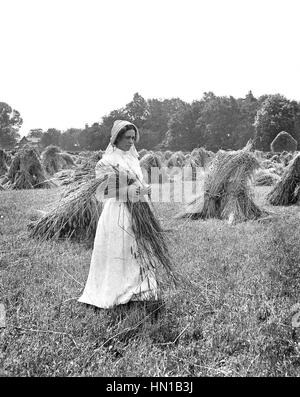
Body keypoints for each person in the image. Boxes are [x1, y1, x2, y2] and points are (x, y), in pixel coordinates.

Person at [78, 120, 158, 309]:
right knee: (119, 248)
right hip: (118, 212)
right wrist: (129, 192)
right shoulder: (106, 162)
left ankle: (139, 288)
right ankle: (116, 289)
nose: (131, 141)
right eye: (127, 137)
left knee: (136, 248)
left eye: (133, 137)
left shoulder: (133, 159)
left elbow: (137, 184)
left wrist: (143, 190)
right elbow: (103, 192)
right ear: (117, 138)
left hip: (138, 209)